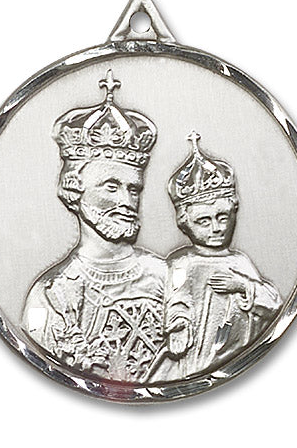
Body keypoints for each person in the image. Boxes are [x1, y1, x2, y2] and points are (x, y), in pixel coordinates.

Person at [22, 70, 191, 383]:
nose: (126, 200)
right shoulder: (51, 294)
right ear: (74, 189)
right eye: (111, 186)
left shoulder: (167, 277)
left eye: (134, 189)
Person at [166, 131, 282, 377]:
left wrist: (241, 285)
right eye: (204, 221)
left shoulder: (239, 262)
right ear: (185, 224)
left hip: (237, 352)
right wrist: (178, 326)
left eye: (222, 217)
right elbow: (174, 300)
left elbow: (273, 304)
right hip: (196, 352)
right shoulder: (182, 262)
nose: (216, 228)